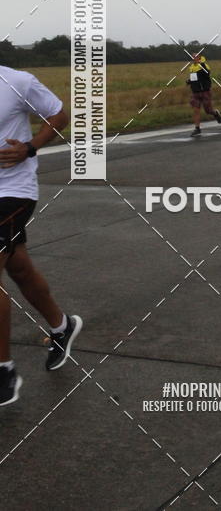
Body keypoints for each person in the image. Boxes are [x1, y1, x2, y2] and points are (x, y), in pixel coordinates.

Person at [0, 65, 82, 406]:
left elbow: (59, 115)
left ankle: (3, 371)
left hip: (13, 190)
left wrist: (30, 148)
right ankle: (62, 326)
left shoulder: (17, 81)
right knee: (18, 268)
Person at [186, 53, 221, 136]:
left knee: (208, 110)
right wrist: (189, 81)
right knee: (196, 110)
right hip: (195, 92)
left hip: (205, 91)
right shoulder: (191, 67)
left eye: (195, 57)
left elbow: (207, 74)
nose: (193, 58)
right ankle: (197, 128)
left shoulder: (204, 65)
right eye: (192, 57)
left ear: (199, 58)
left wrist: (201, 65)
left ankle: (215, 113)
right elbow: (195, 78)